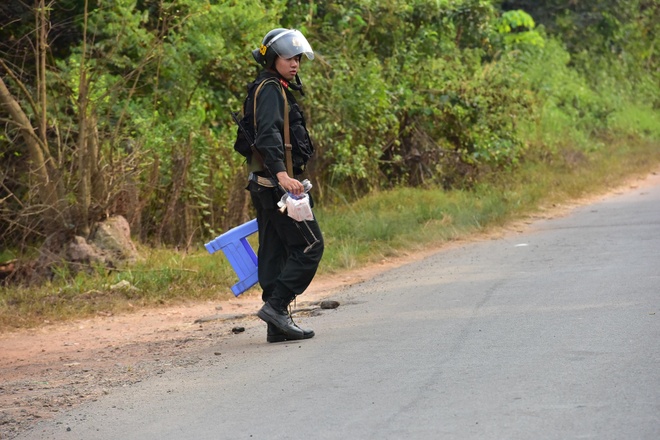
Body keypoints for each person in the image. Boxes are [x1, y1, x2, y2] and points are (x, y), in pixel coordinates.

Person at [243, 28, 324, 342]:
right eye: (289, 58)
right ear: (272, 58)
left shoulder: (266, 87)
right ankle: (276, 308)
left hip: (264, 186)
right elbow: (268, 136)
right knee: (309, 246)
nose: (295, 64)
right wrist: (282, 176)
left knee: (274, 252)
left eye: (298, 59)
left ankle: (276, 327)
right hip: (277, 188)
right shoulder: (272, 89)